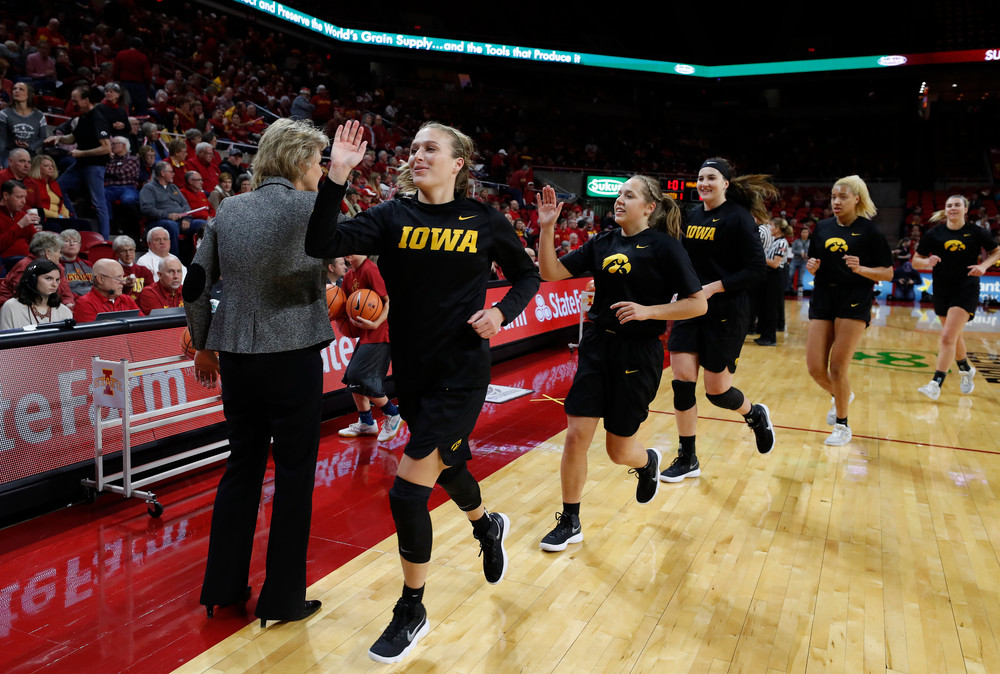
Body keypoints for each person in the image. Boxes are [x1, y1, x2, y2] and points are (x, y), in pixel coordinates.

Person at [304, 120, 540, 663]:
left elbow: (527, 276)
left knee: (408, 490)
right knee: (449, 466)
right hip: (410, 372)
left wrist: (502, 311)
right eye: (413, 148)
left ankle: (412, 609)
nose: (418, 155)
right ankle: (487, 524)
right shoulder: (392, 216)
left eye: (430, 148)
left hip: (462, 371)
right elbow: (321, 242)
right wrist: (337, 172)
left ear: (458, 163)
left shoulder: (485, 219)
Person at [183, 118, 336, 630]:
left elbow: (196, 283)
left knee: (241, 468)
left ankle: (222, 589)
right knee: (294, 477)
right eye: (318, 160)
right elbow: (339, 265)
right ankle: (283, 601)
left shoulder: (229, 208)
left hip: (238, 358)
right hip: (293, 357)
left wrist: (204, 344)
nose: (322, 170)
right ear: (297, 160)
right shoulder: (317, 206)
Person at [534, 179, 706, 552]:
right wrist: (547, 227)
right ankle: (570, 519)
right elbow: (551, 273)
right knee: (576, 435)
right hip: (597, 346)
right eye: (618, 195)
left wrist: (650, 311)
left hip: (639, 353)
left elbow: (697, 304)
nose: (619, 200)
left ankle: (646, 463)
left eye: (629, 195)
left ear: (649, 207)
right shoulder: (601, 242)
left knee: (617, 450)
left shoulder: (665, 247)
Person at [661, 157, 777, 482]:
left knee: (717, 392)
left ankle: (754, 414)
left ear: (726, 183)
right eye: (700, 178)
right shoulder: (691, 215)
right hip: (690, 308)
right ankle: (688, 457)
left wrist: (714, 287)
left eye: (711, 177)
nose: (704, 183)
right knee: (682, 384)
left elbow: (756, 269)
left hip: (727, 312)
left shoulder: (739, 219)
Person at [805, 175, 893, 445]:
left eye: (843, 197)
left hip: (854, 297)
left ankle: (842, 425)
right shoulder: (821, 228)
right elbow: (814, 258)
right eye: (833, 197)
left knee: (838, 366)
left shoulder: (871, 232)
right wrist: (813, 267)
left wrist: (861, 269)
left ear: (857, 199)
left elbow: (888, 273)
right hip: (823, 296)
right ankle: (841, 394)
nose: (836, 202)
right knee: (814, 368)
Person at [912, 195, 1000, 399]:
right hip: (942, 289)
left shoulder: (976, 232)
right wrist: (927, 263)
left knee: (947, 336)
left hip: (966, 288)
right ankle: (966, 369)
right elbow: (916, 260)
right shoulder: (934, 234)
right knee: (954, 337)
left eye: (957, 205)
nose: (953, 208)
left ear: (965, 209)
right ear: (945, 209)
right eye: (949, 205)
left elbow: (996, 251)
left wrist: (984, 266)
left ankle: (936, 383)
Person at [337, 254, 404, 442]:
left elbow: (389, 301)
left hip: (382, 332)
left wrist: (375, 324)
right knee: (353, 378)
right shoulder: (349, 276)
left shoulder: (370, 269)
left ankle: (393, 414)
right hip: (367, 334)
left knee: (360, 377)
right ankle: (366, 422)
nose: (349, 250)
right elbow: (342, 305)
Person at [45, 86, 112, 240]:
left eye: (75, 101)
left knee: (99, 203)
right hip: (80, 164)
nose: (73, 104)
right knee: (58, 187)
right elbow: (73, 138)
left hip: (94, 165)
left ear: (86, 100)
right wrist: (58, 138)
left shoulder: (98, 118)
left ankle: (104, 239)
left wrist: (81, 153)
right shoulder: (83, 117)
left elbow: (106, 148)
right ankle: (73, 223)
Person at [139, 163, 205, 257]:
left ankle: (201, 258)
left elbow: (186, 205)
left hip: (181, 220)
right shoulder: (149, 188)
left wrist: (187, 218)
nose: (173, 174)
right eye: (171, 172)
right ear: (162, 173)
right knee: (172, 225)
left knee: (203, 224)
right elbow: (147, 209)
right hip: (158, 221)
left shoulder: (173, 187)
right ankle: (173, 258)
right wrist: (168, 215)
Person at [0, 259, 73, 330]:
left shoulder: (64, 311)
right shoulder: (11, 307)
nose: (54, 284)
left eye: (57, 280)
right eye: (49, 279)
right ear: (32, 280)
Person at [755, 217, 790, 346]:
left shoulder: (782, 243)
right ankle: (764, 335)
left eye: (771, 226)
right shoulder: (774, 241)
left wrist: (759, 257)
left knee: (771, 308)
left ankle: (770, 337)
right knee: (765, 307)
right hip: (769, 276)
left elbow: (775, 263)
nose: (769, 228)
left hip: (776, 276)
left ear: (778, 228)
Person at [72, 258, 140, 322]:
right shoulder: (85, 304)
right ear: (100, 279)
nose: (123, 282)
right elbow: (92, 333)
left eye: (123, 277)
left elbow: (144, 326)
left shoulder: (127, 300)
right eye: (117, 277)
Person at [0, 82, 47, 163]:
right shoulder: (4, 114)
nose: (16, 91)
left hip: (30, 154)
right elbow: (1, 140)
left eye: (21, 89)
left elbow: (43, 138)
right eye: (14, 89)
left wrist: (31, 146)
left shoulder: (39, 115)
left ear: (28, 95)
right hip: (10, 153)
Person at [112, 234, 153, 301]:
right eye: (124, 251)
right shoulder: (112, 270)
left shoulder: (144, 271)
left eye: (131, 250)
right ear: (117, 253)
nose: (128, 254)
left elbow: (151, 293)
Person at [58, 229, 93, 296]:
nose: (72, 244)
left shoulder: (88, 264)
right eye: (67, 241)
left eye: (75, 241)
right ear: (60, 245)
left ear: (80, 245)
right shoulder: (57, 266)